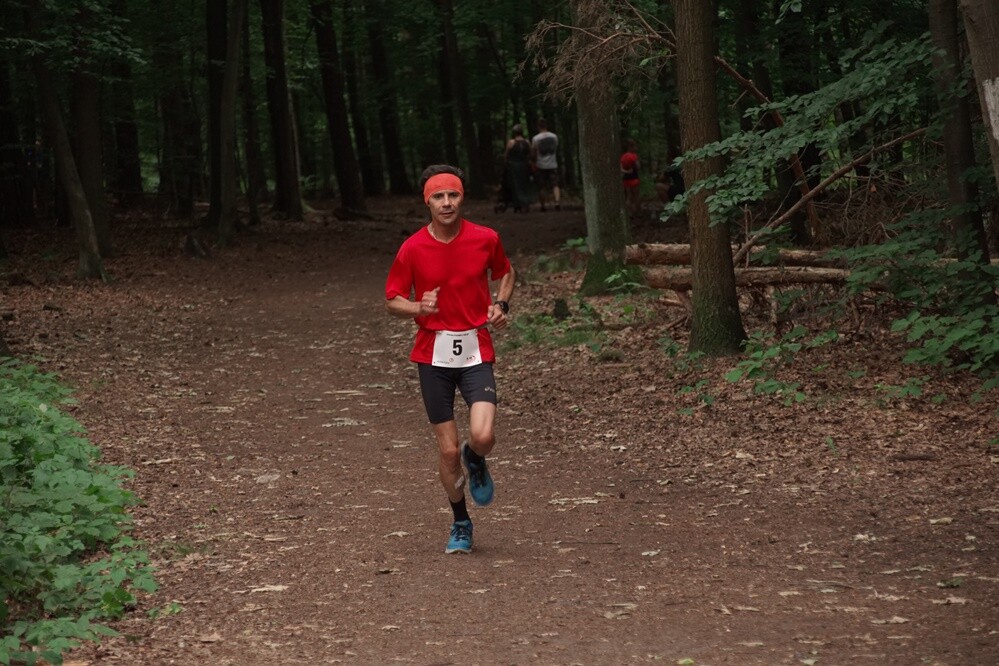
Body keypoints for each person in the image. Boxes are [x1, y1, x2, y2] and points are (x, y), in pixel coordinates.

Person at [385, 164, 516, 555]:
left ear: (462, 198)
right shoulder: (412, 248)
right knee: (446, 450)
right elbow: (392, 300)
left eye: (453, 195)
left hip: (475, 347)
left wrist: (501, 304)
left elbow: (506, 273)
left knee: (483, 436)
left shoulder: (485, 238)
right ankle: (461, 522)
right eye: (438, 196)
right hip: (433, 353)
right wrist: (417, 307)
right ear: (427, 201)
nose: (446, 203)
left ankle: (474, 458)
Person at [497, 124, 533, 213]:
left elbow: (506, 155)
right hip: (524, 166)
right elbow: (531, 154)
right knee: (524, 185)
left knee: (514, 185)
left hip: (513, 167)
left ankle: (517, 204)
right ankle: (524, 203)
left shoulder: (511, 142)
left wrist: (505, 165)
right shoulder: (527, 142)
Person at [530, 118, 561, 211]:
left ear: (538, 126)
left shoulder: (536, 138)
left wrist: (533, 163)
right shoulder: (554, 136)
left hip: (541, 165)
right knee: (555, 184)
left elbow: (534, 153)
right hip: (553, 164)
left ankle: (543, 206)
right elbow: (555, 149)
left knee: (542, 186)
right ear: (546, 125)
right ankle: (557, 202)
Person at [620, 139, 641, 215]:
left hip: (626, 179)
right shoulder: (634, 156)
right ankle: (638, 212)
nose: (636, 148)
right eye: (634, 146)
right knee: (636, 195)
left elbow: (621, 169)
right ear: (631, 147)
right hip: (634, 178)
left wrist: (626, 171)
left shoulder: (623, 156)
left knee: (629, 196)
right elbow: (638, 167)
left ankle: (629, 212)